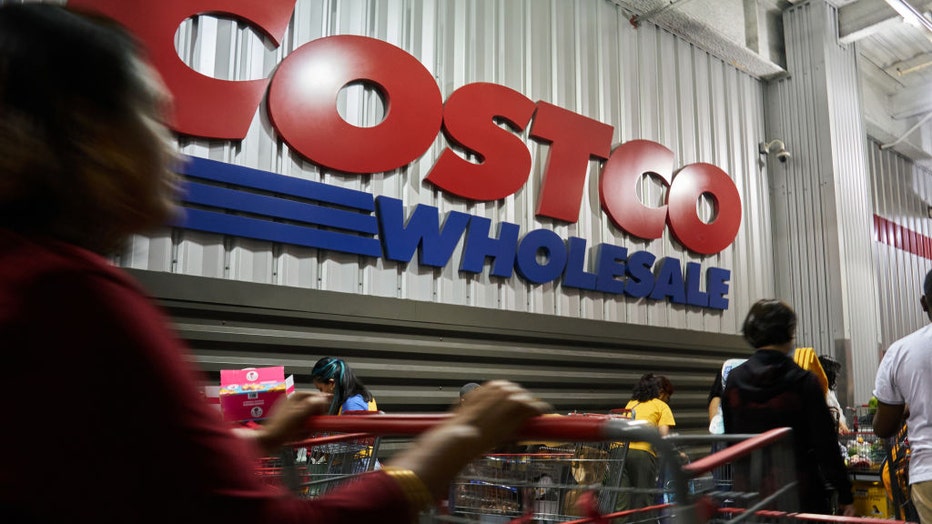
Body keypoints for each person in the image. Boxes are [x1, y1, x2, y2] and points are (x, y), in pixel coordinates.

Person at [0, 4, 550, 522]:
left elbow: (123, 459)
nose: (173, 151)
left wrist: (262, 439)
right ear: (91, 134)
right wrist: (457, 439)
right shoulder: (71, 296)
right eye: (151, 116)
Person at [722, 299, 854, 516]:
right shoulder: (803, 381)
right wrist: (845, 494)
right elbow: (825, 444)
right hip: (799, 496)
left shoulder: (735, 381)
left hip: (752, 499)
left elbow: (731, 442)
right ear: (790, 332)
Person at [874, 268, 932, 524]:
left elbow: (884, 427)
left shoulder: (901, 351)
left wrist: (905, 410)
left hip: (928, 472)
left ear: (923, 302)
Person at [616, 373, 676, 512]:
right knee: (643, 501)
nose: (668, 401)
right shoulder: (661, 406)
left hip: (619, 451)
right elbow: (663, 437)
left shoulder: (632, 403)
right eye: (668, 397)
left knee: (620, 501)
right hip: (641, 453)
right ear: (661, 392)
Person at [311, 356, 377, 414]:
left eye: (321, 389)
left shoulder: (352, 405)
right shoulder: (360, 397)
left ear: (332, 383)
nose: (321, 394)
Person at [818, 354, 850, 434]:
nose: (836, 376)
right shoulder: (819, 391)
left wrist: (841, 424)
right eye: (834, 373)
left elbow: (836, 410)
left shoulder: (828, 391)